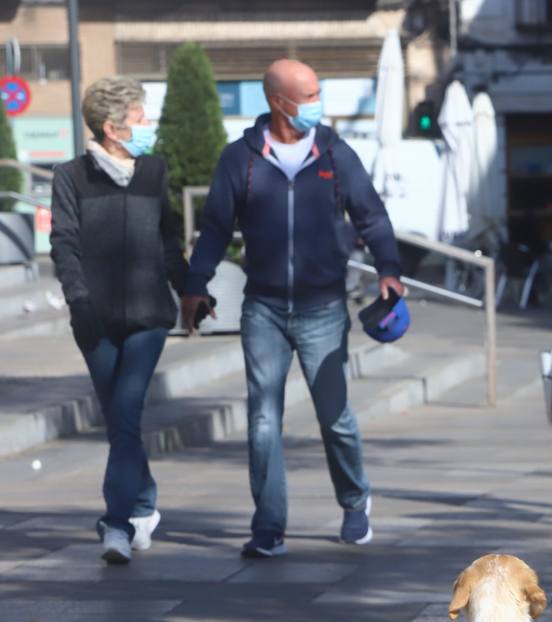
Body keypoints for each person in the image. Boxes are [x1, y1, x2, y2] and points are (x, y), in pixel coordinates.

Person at [181, 58, 404, 558]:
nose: (316, 104)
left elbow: (372, 216)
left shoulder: (335, 154)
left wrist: (389, 268)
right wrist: (196, 283)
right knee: (262, 420)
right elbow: (216, 226)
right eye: (308, 95)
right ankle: (269, 526)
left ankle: (354, 501)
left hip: (323, 307)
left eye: (317, 92)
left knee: (335, 417)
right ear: (279, 103)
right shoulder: (239, 158)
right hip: (262, 308)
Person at [50, 76, 187, 564]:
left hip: (150, 318)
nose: (147, 124)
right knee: (120, 423)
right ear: (112, 127)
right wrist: (79, 303)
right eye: (139, 116)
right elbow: (63, 244)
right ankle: (144, 501)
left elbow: (169, 238)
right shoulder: (71, 177)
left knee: (126, 415)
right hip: (96, 321)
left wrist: (190, 290)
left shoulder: (154, 171)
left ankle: (116, 525)